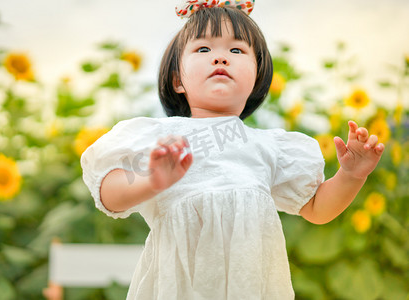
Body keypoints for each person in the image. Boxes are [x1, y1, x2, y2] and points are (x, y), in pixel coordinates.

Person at [80, 1, 385, 299]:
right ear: (177, 79)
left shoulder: (268, 147)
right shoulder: (161, 138)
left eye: (236, 50)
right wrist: (153, 180)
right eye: (203, 49)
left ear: (256, 78)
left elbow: (317, 209)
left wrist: (350, 176)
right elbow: (108, 194)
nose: (220, 58)